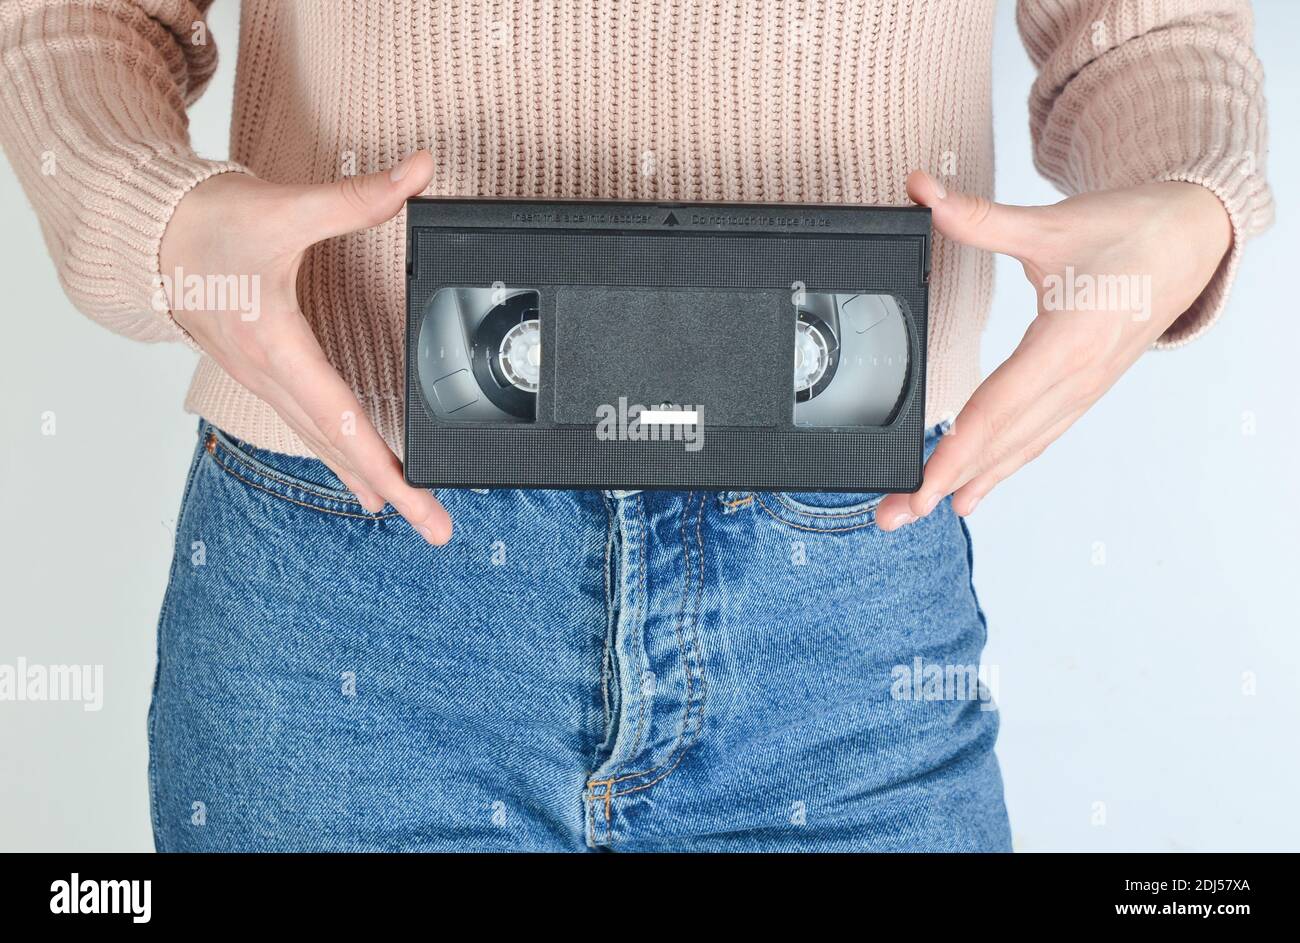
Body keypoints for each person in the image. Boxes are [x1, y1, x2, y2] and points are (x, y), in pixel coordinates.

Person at [0, 1, 1272, 851]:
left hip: (847, 591)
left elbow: (1146, 35)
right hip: (352, 573)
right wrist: (158, 219)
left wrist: (1183, 201)